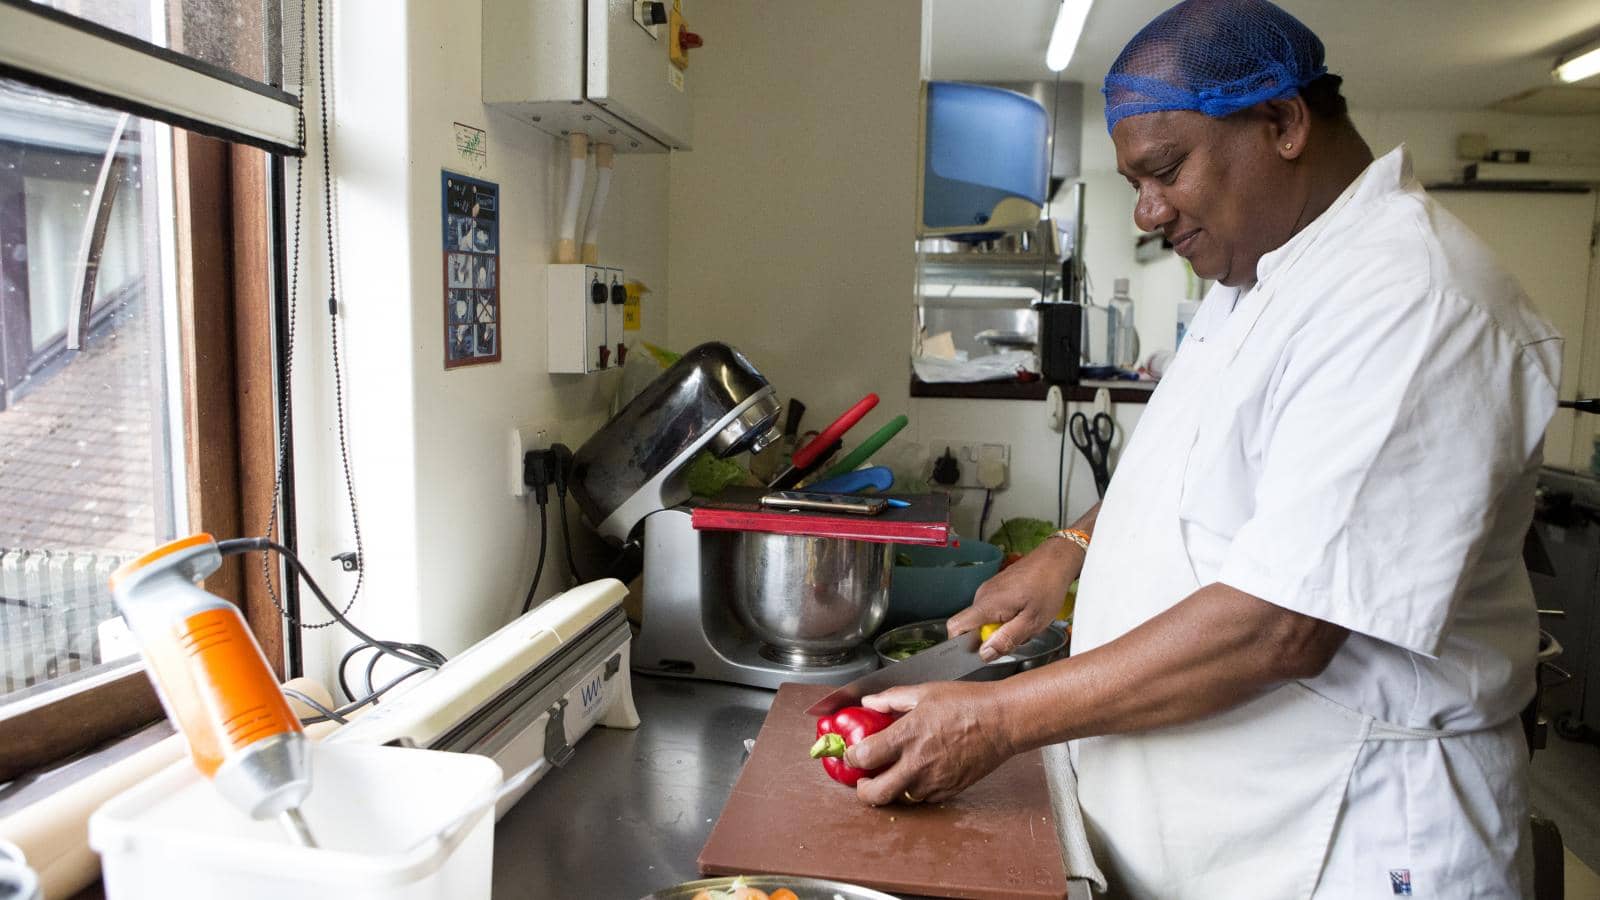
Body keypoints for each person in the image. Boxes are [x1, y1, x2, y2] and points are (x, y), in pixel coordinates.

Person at [840, 1, 1560, 896]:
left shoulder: (1409, 300)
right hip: (1222, 826)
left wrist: (992, 720)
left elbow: (1283, 624)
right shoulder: (1258, 276)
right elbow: (1192, 475)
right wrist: (1071, 550)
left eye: (1165, 169)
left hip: (1346, 836)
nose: (1147, 211)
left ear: (1284, 123)